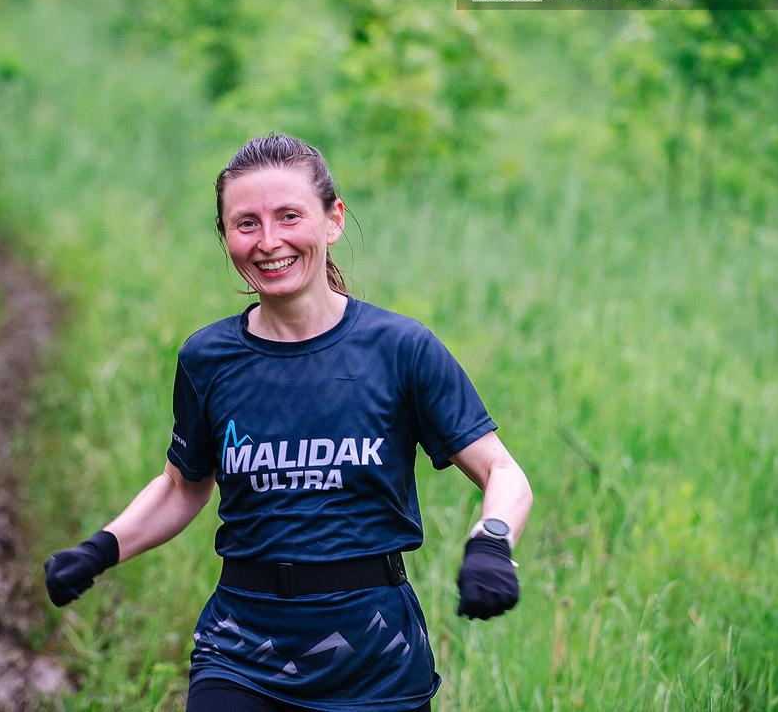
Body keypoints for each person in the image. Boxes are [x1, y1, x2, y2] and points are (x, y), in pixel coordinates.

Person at [45, 134, 533, 711]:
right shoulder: (208, 359)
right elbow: (183, 485)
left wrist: (492, 542)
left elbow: (502, 470)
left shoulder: (400, 349)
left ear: (333, 220)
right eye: (246, 223)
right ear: (226, 236)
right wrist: (100, 550)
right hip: (241, 648)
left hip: (375, 655)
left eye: (289, 216)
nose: (269, 241)